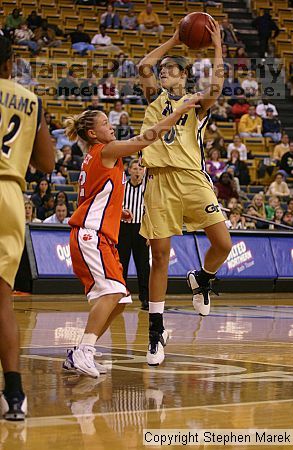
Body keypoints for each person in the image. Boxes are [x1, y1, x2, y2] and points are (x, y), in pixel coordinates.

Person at [62, 92, 200, 377]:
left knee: (121, 300)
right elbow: (147, 137)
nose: (110, 126)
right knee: (112, 293)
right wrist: (180, 111)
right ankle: (83, 352)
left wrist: (117, 211)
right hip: (91, 236)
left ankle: (80, 351)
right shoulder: (106, 151)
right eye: (104, 123)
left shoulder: (95, 155)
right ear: (93, 133)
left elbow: (93, 196)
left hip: (97, 234)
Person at [137, 19, 232, 366]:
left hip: (193, 178)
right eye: (164, 71)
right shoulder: (154, 98)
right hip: (160, 180)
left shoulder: (195, 103)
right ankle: (155, 332)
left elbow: (218, 86)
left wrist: (218, 45)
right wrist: (175, 38)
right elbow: (144, 65)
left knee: (223, 244)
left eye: (172, 69)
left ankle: (202, 278)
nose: (164, 72)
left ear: (184, 76)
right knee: (159, 256)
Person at [0, 36, 54, 420]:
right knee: (3, 304)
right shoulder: (29, 99)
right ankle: (15, 396)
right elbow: (48, 163)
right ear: (10, 62)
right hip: (10, 197)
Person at [117, 159, 150, 310]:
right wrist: (122, 212)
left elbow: (151, 211)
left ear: (144, 171)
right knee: (121, 264)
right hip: (123, 229)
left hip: (141, 229)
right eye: (135, 169)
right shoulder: (122, 186)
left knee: (143, 266)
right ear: (129, 170)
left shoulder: (147, 188)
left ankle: (145, 298)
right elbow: (114, 206)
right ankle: (121, 294)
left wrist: (150, 233)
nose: (137, 171)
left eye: (140, 169)